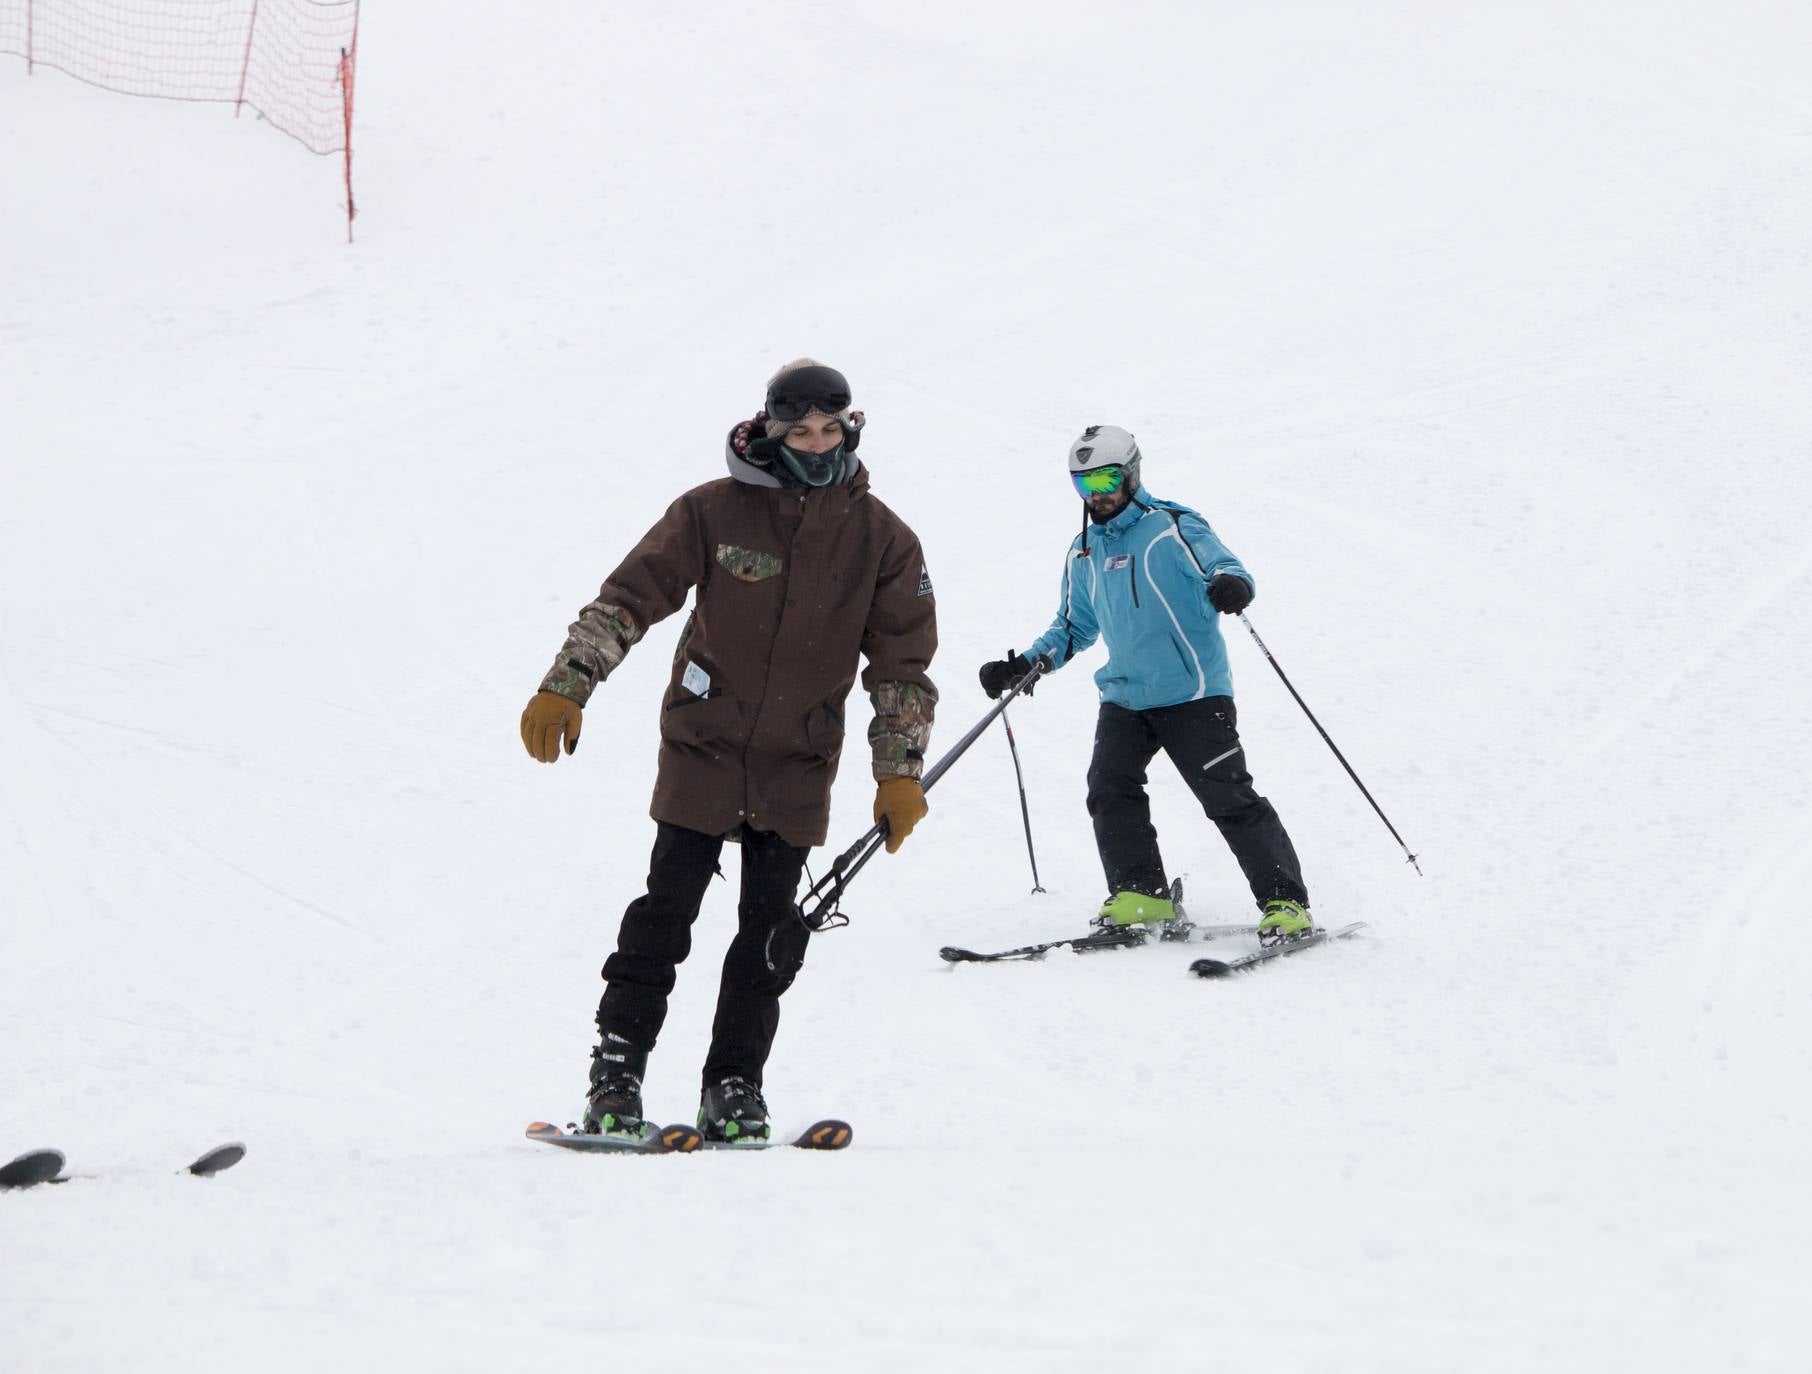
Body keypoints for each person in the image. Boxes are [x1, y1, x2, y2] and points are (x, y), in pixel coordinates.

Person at [520, 360, 938, 1143]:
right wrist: (566, 685)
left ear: (850, 426)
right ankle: (616, 1074)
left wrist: (898, 775)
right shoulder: (713, 512)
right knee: (664, 916)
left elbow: (901, 670)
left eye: (830, 428)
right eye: (800, 431)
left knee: (768, 937)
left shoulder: (883, 540)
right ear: (773, 432)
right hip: (704, 746)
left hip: (798, 761)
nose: (817, 444)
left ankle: (735, 1086)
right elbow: (628, 600)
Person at [978, 425, 1311, 943]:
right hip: (1126, 697)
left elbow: (1224, 565)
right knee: (1110, 787)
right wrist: (1025, 664)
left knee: (1227, 798)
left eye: (1107, 479)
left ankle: (1286, 903)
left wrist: (1232, 584)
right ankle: (1142, 894)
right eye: (1083, 485)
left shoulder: (1171, 525)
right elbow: (1073, 626)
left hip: (1193, 693)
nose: (1098, 494)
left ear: (1132, 473)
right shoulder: (1083, 550)